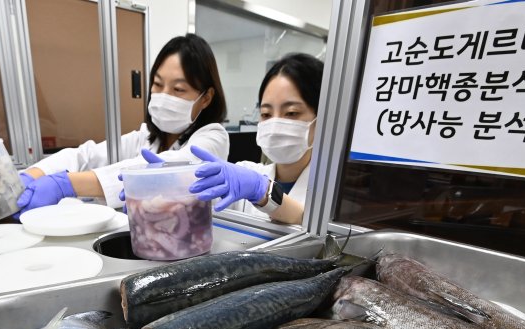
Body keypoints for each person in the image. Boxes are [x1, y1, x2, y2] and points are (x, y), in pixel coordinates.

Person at [16, 34, 229, 212]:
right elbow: (86, 156)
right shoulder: (145, 137)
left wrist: (67, 184)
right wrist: (31, 176)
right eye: (157, 84)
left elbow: (165, 172)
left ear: (207, 98)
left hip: (192, 244)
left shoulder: (213, 137)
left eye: (178, 89)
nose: (163, 96)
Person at [187, 53, 323, 225]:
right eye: (266, 114)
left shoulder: (333, 194)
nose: (274, 125)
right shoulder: (246, 175)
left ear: (322, 119)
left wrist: (264, 191)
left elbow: (315, 225)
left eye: (291, 113)